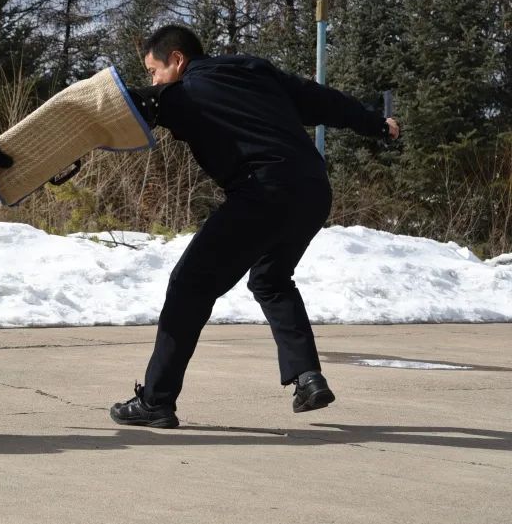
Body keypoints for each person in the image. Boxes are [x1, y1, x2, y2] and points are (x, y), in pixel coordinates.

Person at [111, 24, 399, 428]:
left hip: (262, 192)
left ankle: (157, 400)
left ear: (176, 60)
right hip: (313, 189)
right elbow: (323, 101)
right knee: (271, 279)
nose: (153, 80)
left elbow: (121, 108)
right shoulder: (253, 70)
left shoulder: (182, 93)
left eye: (154, 71)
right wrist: (376, 124)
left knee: (189, 285)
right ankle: (308, 377)